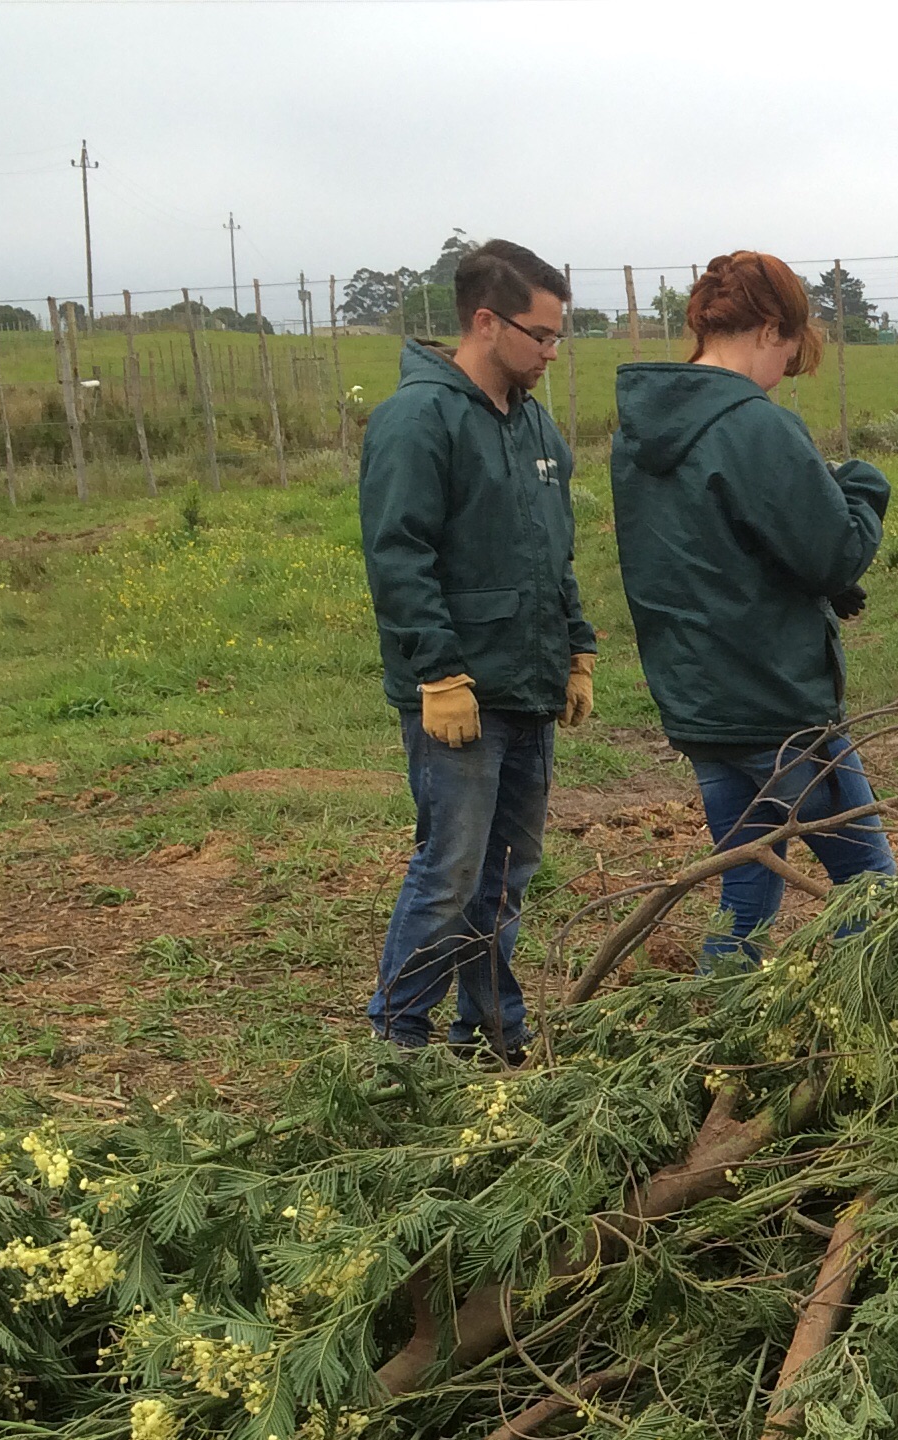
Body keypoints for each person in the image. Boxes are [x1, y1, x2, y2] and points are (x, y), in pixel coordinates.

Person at [608, 251, 892, 965]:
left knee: (748, 886)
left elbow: (720, 552)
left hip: (701, 705)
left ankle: (718, 1012)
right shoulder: (754, 426)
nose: (786, 369)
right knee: (871, 888)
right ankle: (875, 1013)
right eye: (790, 349)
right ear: (769, 329)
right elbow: (835, 554)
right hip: (778, 708)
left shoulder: (638, 435)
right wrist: (862, 488)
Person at [358, 238, 597, 1059]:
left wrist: (576, 650)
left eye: (559, 336)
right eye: (542, 335)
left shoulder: (535, 426)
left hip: (528, 684)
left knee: (506, 875)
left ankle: (491, 1033)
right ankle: (398, 1040)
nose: (552, 352)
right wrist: (438, 672)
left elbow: (553, 550)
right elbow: (399, 556)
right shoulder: (417, 421)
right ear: (487, 322)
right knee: (452, 870)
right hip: (460, 693)